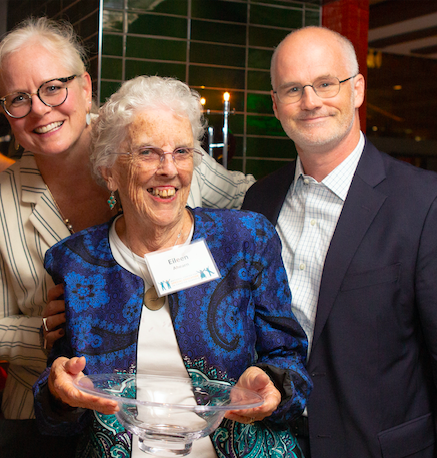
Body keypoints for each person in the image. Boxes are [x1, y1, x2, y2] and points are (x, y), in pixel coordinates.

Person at [240, 26, 437, 458]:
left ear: (357, 89)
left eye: (326, 83)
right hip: (270, 445)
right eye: (292, 89)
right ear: (276, 104)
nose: (310, 101)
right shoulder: (259, 200)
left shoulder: (429, 205)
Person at [0, 17, 254, 456]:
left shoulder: (144, 134)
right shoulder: (3, 200)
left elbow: (242, 199)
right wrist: (48, 330)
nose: (40, 109)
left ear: (85, 86)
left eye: (53, 87)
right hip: (45, 420)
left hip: (175, 409)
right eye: (19, 99)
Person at [33, 75, 310, 457]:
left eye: (181, 152)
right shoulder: (75, 261)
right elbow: (58, 410)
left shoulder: (244, 240)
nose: (169, 169)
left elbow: (290, 359)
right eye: (148, 152)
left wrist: (271, 385)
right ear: (110, 171)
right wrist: (58, 392)